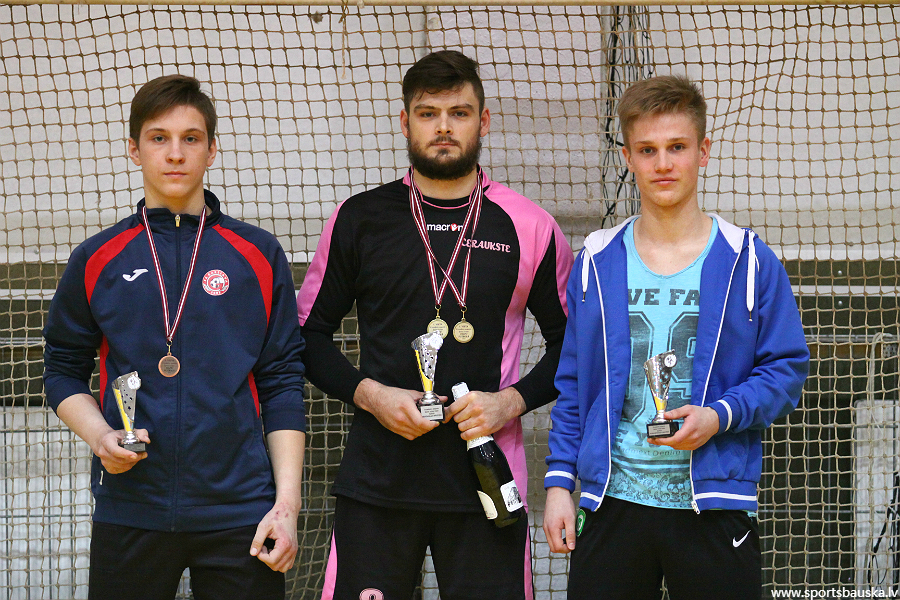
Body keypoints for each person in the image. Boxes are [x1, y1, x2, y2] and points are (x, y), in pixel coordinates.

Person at [297, 50, 573, 600]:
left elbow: (574, 346)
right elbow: (306, 336)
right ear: (406, 122)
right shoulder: (360, 218)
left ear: (483, 121)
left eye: (459, 112)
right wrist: (372, 395)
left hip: (488, 485)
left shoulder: (531, 225)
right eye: (428, 113)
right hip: (377, 484)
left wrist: (510, 402)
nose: (443, 127)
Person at [542, 75, 809, 600]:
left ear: (703, 151)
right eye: (647, 150)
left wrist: (718, 416)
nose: (663, 163)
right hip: (612, 500)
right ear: (628, 158)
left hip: (713, 506)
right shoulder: (596, 260)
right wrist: (558, 483)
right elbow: (574, 385)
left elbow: (785, 370)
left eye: (677, 147)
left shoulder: (748, 259)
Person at [42, 74, 306, 600]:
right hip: (131, 507)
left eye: (191, 138)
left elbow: (282, 382)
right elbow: (61, 371)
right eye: (159, 138)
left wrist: (286, 506)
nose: (175, 153)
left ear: (212, 150)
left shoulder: (258, 254)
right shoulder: (96, 258)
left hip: (241, 512)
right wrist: (100, 437)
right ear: (134, 150)